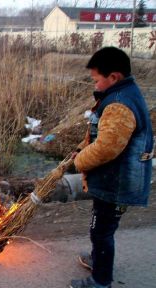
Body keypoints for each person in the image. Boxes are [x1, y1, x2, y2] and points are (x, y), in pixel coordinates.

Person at [71, 47, 153, 288]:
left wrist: (79, 161)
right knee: (103, 228)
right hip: (115, 180)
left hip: (117, 182)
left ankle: (100, 280)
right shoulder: (123, 94)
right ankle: (99, 260)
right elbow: (101, 135)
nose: (94, 85)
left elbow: (107, 148)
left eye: (97, 80)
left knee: (101, 231)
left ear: (114, 77)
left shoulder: (119, 104)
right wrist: (82, 148)